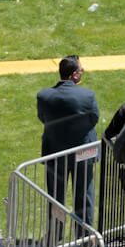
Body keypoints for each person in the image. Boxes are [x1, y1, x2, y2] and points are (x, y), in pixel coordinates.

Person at [36, 55, 100, 228]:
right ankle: (84, 236)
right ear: (74, 75)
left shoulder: (44, 96)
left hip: (55, 151)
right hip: (82, 152)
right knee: (84, 195)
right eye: (81, 70)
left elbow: (43, 118)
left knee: (55, 196)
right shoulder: (87, 96)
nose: (82, 72)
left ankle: (54, 234)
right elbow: (94, 119)